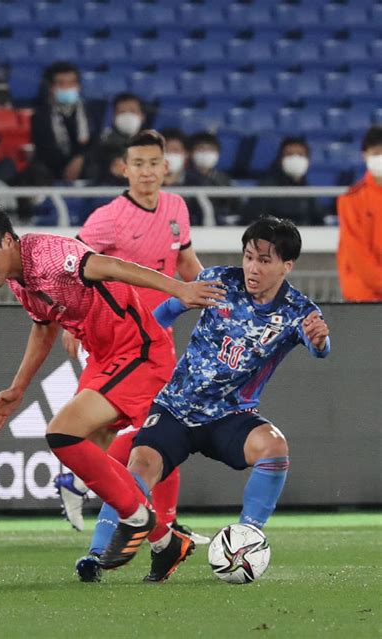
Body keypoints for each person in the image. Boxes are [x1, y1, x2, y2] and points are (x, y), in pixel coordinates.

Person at [0, 201, 223, 575]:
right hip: (104, 358)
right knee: (93, 456)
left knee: (65, 433)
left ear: (8, 240)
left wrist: (180, 290)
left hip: (139, 350)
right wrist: (18, 388)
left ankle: (139, 519)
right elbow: (44, 327)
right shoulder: (17, 278)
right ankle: (164, 539)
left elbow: (112, 266)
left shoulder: (48, 255)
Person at [100, 216, 330, 583]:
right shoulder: (219, 281)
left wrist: (319, 342)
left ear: (287, 265)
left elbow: (320, 348)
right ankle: (99, 554)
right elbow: (165, 313)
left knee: (274, 447)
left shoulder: (298, 312)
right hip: (176, 407)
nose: (253, 267)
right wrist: (139, 344)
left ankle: (248, 536)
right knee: (140, 465)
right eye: (249, 256)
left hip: (230, 417)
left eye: (265, 260)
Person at [55, 130, 210, 581]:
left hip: (155, 335)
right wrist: (70, 321)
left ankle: (125, 514)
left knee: (156, 432)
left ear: (167, 167)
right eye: (137, 164)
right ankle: (111, 506)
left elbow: (185, 262)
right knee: (140, 432)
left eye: (153, 163)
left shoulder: (178, 209)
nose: (146, 172)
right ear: (124, 169)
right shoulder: (109, 218)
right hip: (116, 339)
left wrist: (213, 294)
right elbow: (73, 265)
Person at [337, 125, 382, 302]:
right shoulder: (351, 200)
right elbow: (358, 256)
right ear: (365, 155)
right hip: (363, 297)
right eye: (376, 153)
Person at [31, 61, 96, 182]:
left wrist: (80, 159)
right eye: (61, 84)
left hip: (85, 166)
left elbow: (95, 144)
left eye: (72, 83)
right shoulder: (40, 116)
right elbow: (44, 151)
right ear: (51, 88)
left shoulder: (91, 112)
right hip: (52, 169)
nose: (67, 88)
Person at [245, 136, 324, 226]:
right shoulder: (266, 188)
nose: (295, 159)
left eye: (300, 154)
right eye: (289, 155)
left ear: (308, 160)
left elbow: (319, 221)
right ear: (280, 159)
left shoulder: (309, 192)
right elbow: (254, 219)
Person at [84, 92, 146, 184]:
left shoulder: (154, 143)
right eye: (122, 112)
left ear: (142, 116)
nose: (127, 117)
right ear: (113, 117)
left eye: (132, 111)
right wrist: (110, 170)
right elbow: (90, 173)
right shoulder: (102, 144)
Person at [184, 131, 240, 226]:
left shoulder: (225, 180)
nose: (206, 154)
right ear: (190, 153)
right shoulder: (184, 179)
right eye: (201, 149)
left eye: (211, 150)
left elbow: (237, 207)